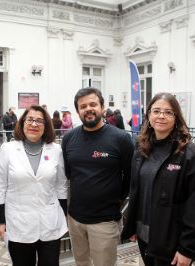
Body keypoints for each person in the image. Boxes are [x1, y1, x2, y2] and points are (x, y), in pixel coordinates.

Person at [121, 92, 195, 266]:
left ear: (177, 117)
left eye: (168, 112)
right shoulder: (141, 150)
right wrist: (133, 225)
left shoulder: (191, 155)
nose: (161, 116)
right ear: (148, 115)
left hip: (172, 242)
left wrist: (187, 249)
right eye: (156, 111)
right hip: (144, 236)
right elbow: (137, 192)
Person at [61, 87, 134, 266]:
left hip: (105, 221)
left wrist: (115, 201)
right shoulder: (69, 138)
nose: (88, 109)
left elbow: (130, 177)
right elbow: (69, 174)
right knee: (81, 262)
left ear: (102, 107)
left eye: (93, 104)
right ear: (78, 111)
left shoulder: (121, 138)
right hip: (75, 219)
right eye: (83, 106)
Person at [0, 105, 68, 266]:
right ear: (22, 123)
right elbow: (0, 187)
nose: (34, 124)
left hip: (50, 222)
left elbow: (61, 186)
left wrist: (63, 215)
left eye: (40, 121)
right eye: (30, 120)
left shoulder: (56, 150)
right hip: (18, 223)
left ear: (46, 126)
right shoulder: (8, 149)